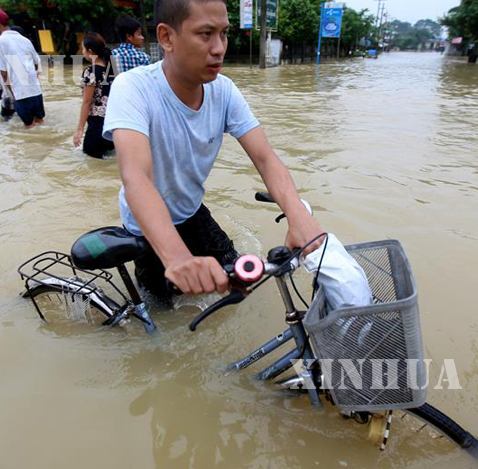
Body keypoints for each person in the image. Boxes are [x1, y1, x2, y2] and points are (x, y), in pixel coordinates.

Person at [103, 0, 324, 301]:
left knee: (240, 285)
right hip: (147, 226)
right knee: (164, 315)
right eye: (205, 34)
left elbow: (265, 157)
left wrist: (298, 215)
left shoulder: (224, 90)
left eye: (223, 33)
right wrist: (177, 258)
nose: (219, 48)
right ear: (167, 37)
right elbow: (136, 177)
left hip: (192, 212)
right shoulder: (132, 88)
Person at [0, 9, 45, 128]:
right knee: (40, 122)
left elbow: (3, 72)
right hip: (36, 90)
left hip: (20, 92)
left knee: (29, 126)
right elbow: (36, 63)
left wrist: (12, 91)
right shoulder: (25, 40)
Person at [73, 32, 115, 158]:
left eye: (83, 49)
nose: (82, 51)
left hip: (96, 127)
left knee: (90, 163)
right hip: (111, 126)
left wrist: (79, 130)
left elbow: (87, 102)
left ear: (90, 51)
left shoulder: (90, 71)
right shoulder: (112, 70)